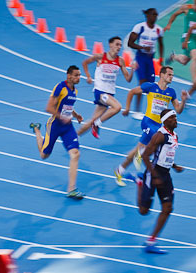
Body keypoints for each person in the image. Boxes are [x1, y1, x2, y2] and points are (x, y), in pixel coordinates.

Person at [114, 66, 187, 185]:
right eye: (169, 74)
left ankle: (120, 170)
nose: (171, 77)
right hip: (147, 122)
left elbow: (178, 110)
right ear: (161, 75)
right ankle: (142, 156)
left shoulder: (171, 92)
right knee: (160, 142)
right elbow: (132, 92)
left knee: (138, 149)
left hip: (158, 125)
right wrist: (127, 108)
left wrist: (183, 100)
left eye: (172, 75)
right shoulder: (151, 86)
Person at [29, 65, 85, 199]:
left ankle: (71, 189)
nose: (79, 78)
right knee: (44, 155)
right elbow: (49, 107)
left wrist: (75, 115)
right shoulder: (60, 87)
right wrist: (61, 117)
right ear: (69, 76)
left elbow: (68, 106)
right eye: (76, 75)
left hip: (67, 127)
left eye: (79, 75)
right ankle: (37, 130)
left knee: (75, 154)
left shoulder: (75, 91)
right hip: (54, 125)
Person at [137, 109, 183, 254]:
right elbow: (145, 156)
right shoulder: (159, 136)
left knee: (168, 208)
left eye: (176, 117)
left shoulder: (174, 135)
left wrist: (174, 166)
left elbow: (166, 154)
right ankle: (139, 182)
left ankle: (151, 241)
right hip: (154, 172)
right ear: (166, 120)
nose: (176, 120)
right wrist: (154, 175)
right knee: (143, 211)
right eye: (173, 118)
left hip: (166, 174)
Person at [78, 36, 134, 139]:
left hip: (109, 94)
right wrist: (88, 76)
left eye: (120, 45)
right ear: (110, 45)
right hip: (100, 92)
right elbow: (85, 62)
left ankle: (74, 137)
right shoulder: (100, 57)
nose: (119, 47)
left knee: (92, 120)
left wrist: (133, 70)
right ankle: (97, 124)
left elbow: (128, 79)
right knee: (117, 107)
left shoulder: (120, 61)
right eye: (117, 44)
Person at [164, 0, 196, 81]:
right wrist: (169, 24)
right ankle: (194, 81)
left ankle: (174, 57)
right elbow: (174, 14)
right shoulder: (186, 8)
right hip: (187, 37)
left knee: (184, 61)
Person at [128, 8, 164, 120]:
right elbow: (130, 43)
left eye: (156, 15)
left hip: (150, 59)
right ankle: (137, 110)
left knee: (152, 85)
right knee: (142, 83)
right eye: (153, 14)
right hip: (141, 58)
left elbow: (161, 44)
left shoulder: (158, 30)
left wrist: (161, 58)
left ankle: (152, 111)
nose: (155, 17)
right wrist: (143, 47)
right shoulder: (140, 27)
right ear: (147, 15)